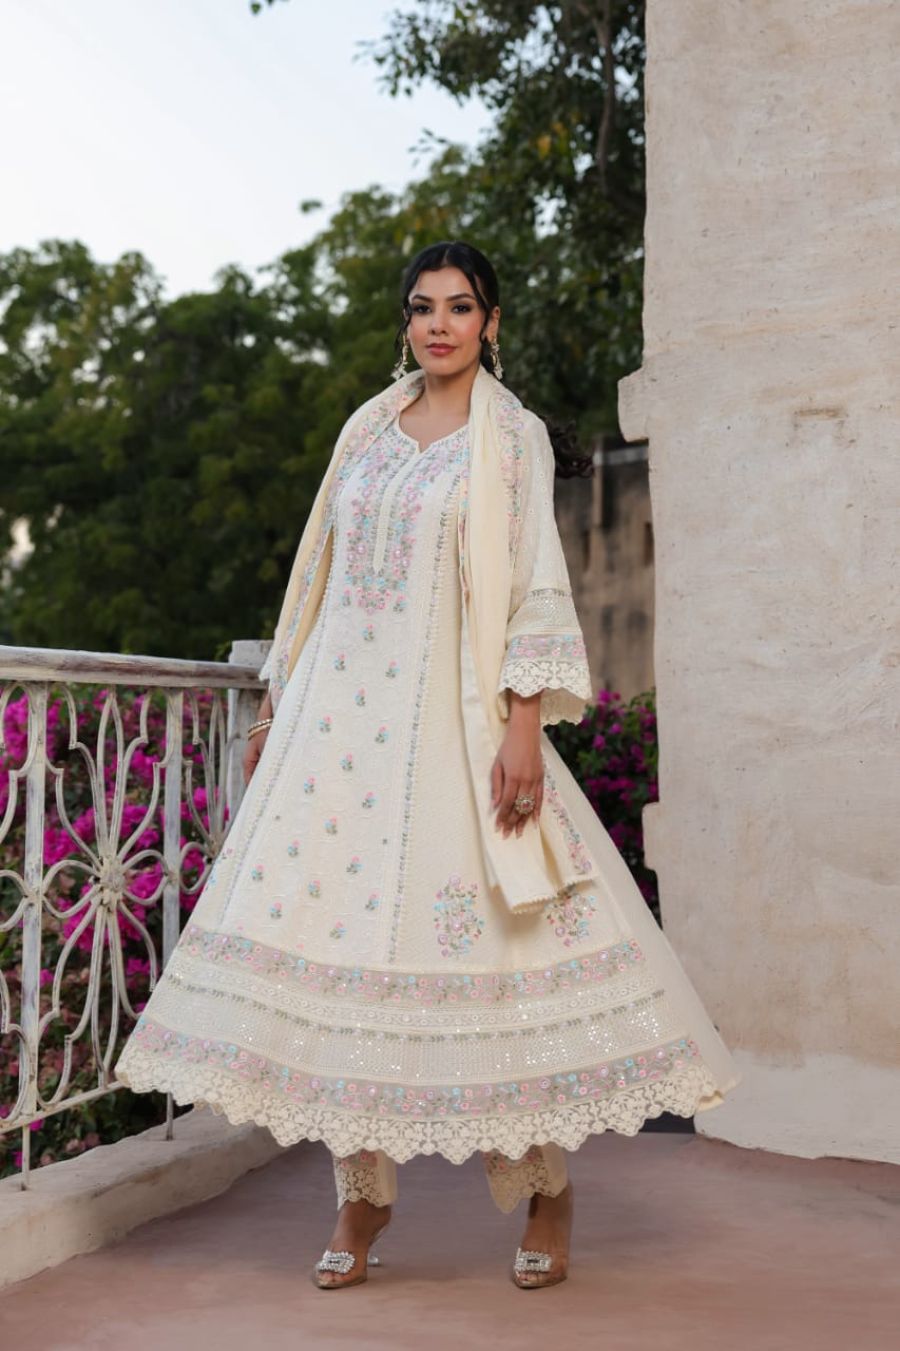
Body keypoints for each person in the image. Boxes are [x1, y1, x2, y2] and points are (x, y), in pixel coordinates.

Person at [115, 240, 740, 1290]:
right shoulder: (368, 425)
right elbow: (316, 569)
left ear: (490, 322)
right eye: (422, 307)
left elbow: (535, 578)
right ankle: (360, 1200)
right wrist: (278, 700)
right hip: (336, 736)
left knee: (485, 963)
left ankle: (543, 1187)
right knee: (340, 956)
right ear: (405, 322)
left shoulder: (510, 435)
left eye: (459, 307)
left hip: (451, 723)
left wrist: (524, 724)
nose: (439, 324)